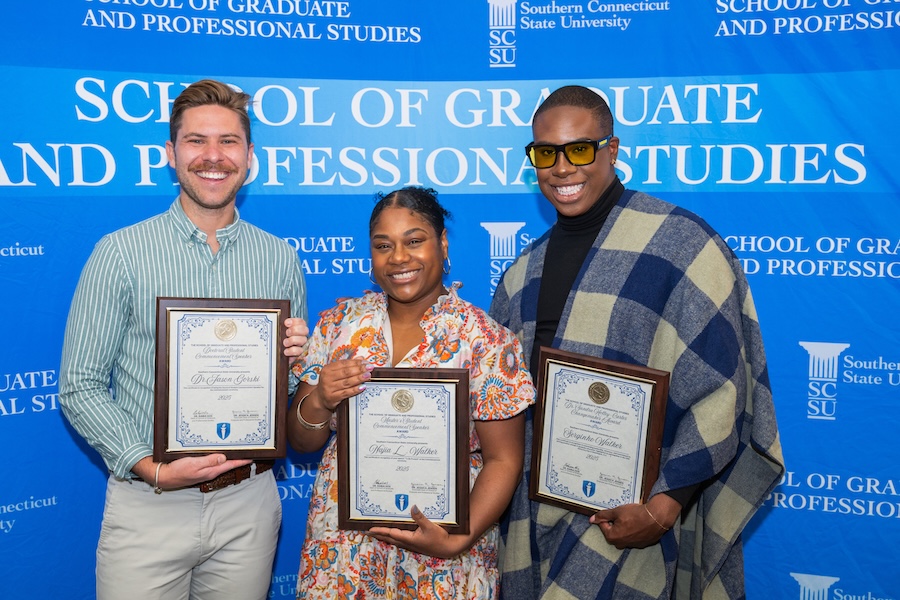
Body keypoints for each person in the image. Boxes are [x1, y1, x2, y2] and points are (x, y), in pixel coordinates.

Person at [491, 85, 785, 599]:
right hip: (531, 515)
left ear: (613, 148)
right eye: (545, 153)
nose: (562, 168)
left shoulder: (682, 246)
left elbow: (723, 392)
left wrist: (664, 506)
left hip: (632, 518)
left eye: (579, 149)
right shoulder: (521, 274)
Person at [59, 79, 310, 600]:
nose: (213, 157)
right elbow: (79, 385)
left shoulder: (280, 257)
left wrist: (295, 358)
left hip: (249, 503)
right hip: (149, 503)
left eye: (229, 142)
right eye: (196, 141)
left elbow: (288, 389)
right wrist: (149, 467)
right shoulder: (121, 252)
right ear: (171, 154)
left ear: (250, 156)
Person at [287, 186, 535, 599]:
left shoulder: (486, 339)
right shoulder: (338, 326)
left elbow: (504, 459)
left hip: (445, 549)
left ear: (442, 243)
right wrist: (318, 399)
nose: (398, 258)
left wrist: (458, 539)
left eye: (414, 241)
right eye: (383, 245)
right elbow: (303, 441)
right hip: (345, 549)